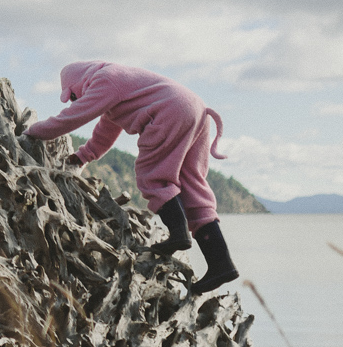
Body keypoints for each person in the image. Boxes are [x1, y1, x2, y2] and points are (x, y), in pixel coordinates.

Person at [24, 61, 238, 295]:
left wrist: (31, 133)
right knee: (192, 187)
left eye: (74, 95)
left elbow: (73, 117)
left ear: (77, 83)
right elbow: (106, 131)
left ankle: (178, 235)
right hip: (195, 108)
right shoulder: (118, 82)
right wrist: (83, 156)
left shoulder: (105, 79)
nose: (77, 101)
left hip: (172, 110)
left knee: (152, 175)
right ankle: (221, 264)